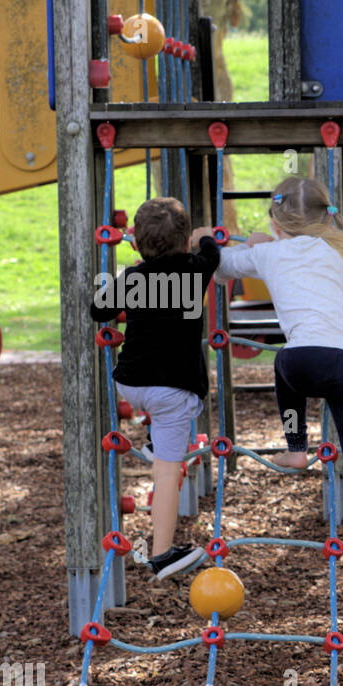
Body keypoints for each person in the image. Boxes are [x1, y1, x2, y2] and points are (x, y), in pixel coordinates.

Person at [196, 177, 343, 579]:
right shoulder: (342, 247)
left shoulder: (269, 254)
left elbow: (220, 267)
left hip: (300, 361)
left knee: (282, 364)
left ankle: (296, 445)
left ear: (277, 223)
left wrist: (225, 242)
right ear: (327, 217)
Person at [90, 196, 217, 580]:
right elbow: (211, 251)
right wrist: (205, 237)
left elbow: (99, 311)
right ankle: (160, 554)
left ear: (137, 242)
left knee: (161, 417)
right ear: (184, 241)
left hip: (131, 382)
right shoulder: (197, 270)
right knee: (167, 471)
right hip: (173, 389)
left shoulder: (133, 278)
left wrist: (130, 270)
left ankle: (151, 438)